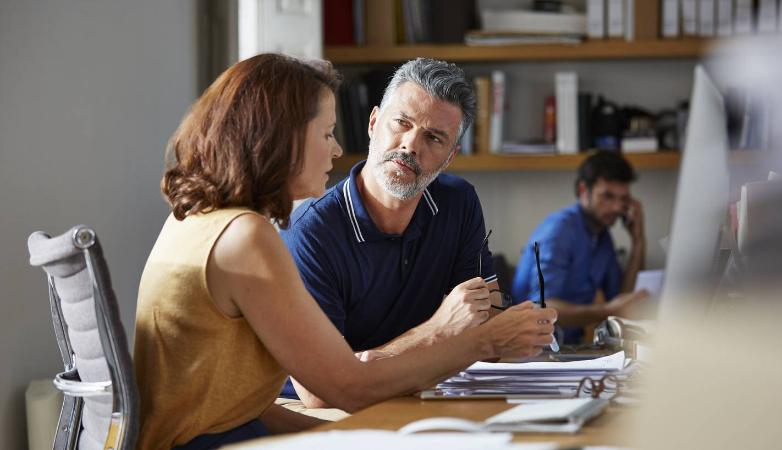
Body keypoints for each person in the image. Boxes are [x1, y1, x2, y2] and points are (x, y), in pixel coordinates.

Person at [132, 53, 556, 450]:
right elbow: (345, 387)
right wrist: (480, 342)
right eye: (327, 133)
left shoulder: (197, 221)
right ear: (282, 138)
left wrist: (361, 433)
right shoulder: (246, 237)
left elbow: (236, 406)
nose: (336, 149)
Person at [279, 58, 516, 407]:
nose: (410, 146)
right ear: (374, 123)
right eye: (401, 123)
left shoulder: (458, 202)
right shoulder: (310, 234)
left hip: (422, 396)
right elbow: (319, 393)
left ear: (450, 156)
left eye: (433, 137)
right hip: (329, 417)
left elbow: (489, 323)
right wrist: (438, 331)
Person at [511, 151, 648, 345]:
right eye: (608, 196)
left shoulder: (602, 237)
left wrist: (638, 240)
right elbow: (540, 308)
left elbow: (623, 300)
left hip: (569, 347)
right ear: (584, 190)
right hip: (531, 349)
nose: (618, 207)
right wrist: (607, 311)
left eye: (624, 199)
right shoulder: (559, 231)